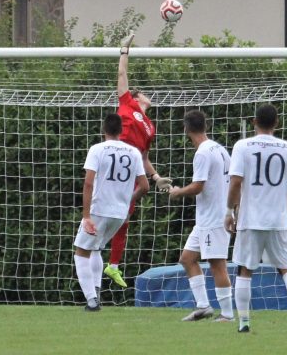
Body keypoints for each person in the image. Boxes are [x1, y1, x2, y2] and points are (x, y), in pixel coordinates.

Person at [225, 103, 287, 333]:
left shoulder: (242, 146)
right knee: (286, 268)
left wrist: (229, 211)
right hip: (277, 220)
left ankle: (243, 322)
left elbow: (235, 182)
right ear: (277, 123)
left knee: (245, 270)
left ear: (254, 122)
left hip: (250, 219)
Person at [104, 31, 172, 288]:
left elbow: (143, 157)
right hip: (114, 165)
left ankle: (113, 265)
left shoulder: (150, 127)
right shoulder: (127, 104)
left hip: (130, 172)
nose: (148, 96)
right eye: (144, 93)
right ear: (136, 96)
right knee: (106, 213)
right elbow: (122, 76)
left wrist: (156, 177)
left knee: (124, 217)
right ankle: (92, 250)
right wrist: (124, 50)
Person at [74, 114, 149, 311]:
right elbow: (144, 186)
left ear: (103, 129)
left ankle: (91, 301)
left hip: (99, 209)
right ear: (121, 130)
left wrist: (86, 215)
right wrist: (126, 201)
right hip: (119, 213)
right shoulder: (133, 152)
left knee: (81, 252)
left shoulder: (97, 149)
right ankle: (96, 293)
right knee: (96, 248)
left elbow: (89, 182)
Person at [169, 110, 234, 322]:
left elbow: (198, 186)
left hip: (214, 219)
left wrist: (178, 192)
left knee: (217, 265)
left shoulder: (203, 153)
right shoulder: (220, 149)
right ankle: (204, 306)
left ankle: (227, 314)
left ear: (186, 128)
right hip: (207, 219)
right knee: (187, 259)